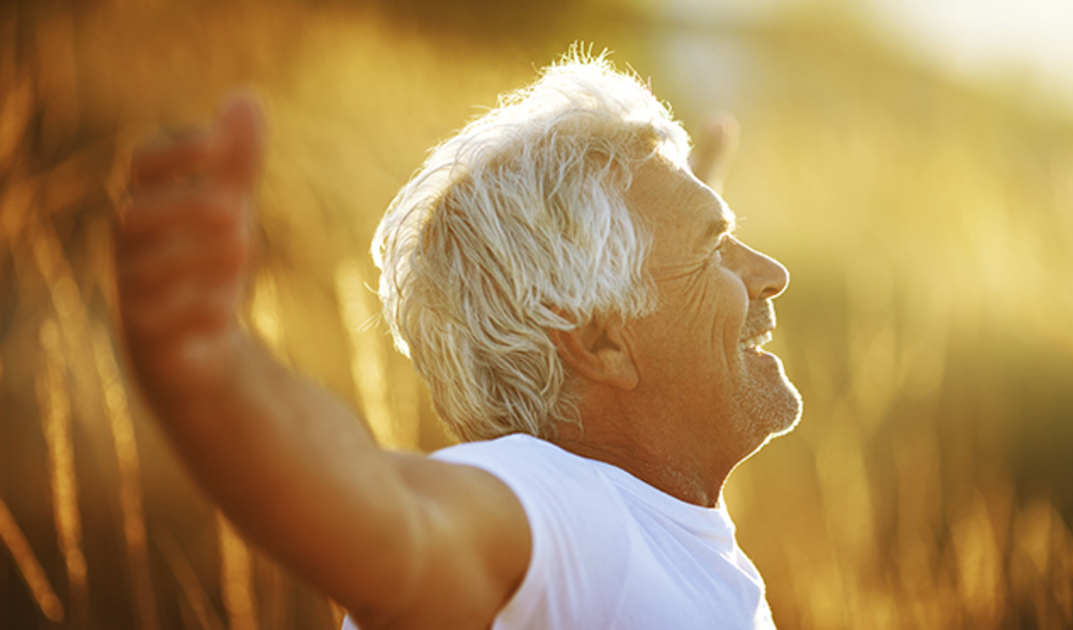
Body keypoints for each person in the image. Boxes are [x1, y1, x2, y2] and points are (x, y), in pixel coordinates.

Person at [115, 50, 802, 630]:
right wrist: (212, 379)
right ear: (599, 344)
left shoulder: (647, 510)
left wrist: (692, 242)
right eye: (717, 251)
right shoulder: (559, 507)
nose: (773, 275)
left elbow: (655, 351)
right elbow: (400, 528)